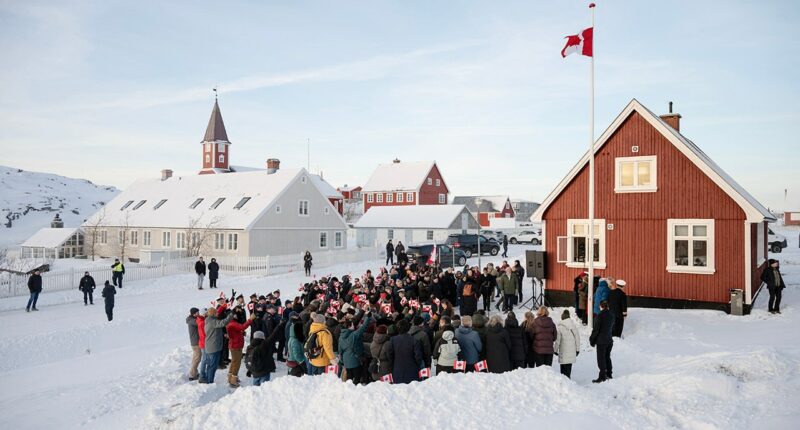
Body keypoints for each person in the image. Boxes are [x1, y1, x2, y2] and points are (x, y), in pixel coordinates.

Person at [338, 309, 373, 384]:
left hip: (346, 361)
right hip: (355, 361)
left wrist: (342, 361)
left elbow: (340, 350)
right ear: (350, 326)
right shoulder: (353, 335)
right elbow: (363, 328)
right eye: (353, 325)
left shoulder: (341, 337)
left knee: (349, 378)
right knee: (357, 378)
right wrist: (368, 317)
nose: (354, 326)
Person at [201, 307, 235, 383]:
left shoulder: (210, 320)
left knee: (211, 365)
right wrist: (231, 314)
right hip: (213, 347)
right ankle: (210, 381)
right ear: (213, 313)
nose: (218, 313)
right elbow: (223, 323)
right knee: (212, 366)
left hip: (212, 346)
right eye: (216, 312)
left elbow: (214, 331)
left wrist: (223, 334)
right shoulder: (212, 321)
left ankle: (208, 379)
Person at [387, 319, 424, 383]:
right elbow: (418, 356)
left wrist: (392, 365)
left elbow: (390, 355)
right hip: (412, 371)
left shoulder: (393, 340)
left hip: (397, 370)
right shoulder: (414, 340)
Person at [226, 307, 255, 387]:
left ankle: (230, 377)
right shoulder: (232, 323)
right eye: (234, 315)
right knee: (237, 363)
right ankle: (233, 380)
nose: (236, 316)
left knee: (234, 362)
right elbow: (242, 327)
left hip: (235, 344)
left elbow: (238, 330)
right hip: (236, 346)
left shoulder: (232, 323)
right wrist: (250, 319)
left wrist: (241, 333)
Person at [589, 300, 615, 383]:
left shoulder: (599, 316)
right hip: (609, 340)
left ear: (601, 307)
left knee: (601, 359)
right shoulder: (611, 315)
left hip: (601, 341)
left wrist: (592, 340)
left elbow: (596, 330)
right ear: (607, 306)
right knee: (607, 357)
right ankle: (609, 374)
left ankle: (602, 376)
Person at [554, 310, 580, 378]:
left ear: (562, 318)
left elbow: (558, 340)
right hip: (571, 352)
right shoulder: (573, 325)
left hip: (563, 352)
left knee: (563, 371)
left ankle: (565, 383)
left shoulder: (560, 327)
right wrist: (577, 349)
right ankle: (568, 381)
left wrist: (555, 350)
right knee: (568, 368)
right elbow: (577, 337)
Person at [186, 308, 202, 380]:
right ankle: (192, 375)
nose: (198, 314)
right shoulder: (191, 320)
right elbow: (198, 322)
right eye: (197, 313)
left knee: (196, 358)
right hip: (195, 342)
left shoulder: (192, 319)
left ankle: (195, 372)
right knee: (197, 358)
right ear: (193, 314)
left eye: (198, 312)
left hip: (196, 341)